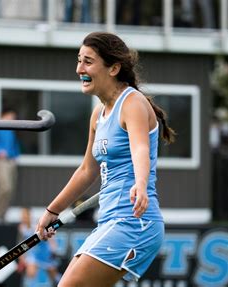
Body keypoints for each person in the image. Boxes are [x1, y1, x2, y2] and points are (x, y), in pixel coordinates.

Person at [35, 31, 175, 286]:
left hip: (134, 222)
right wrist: (52, 210)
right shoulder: (99, 113)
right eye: (78, 60)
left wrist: (141, 183)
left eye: (88, 61)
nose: (79, 69)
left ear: (113, 68)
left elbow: (140, 149)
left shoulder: (132, 103)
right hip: (110, 221)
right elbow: (87, 170)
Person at [17, 207, 61, 287]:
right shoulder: (21, 227)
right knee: (31, 274)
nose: (23, 218)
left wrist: (54, 250)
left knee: (54, 275)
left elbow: (51, 239)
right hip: (33, 254)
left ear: (29, 215)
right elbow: (22, 242)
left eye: (25, 215)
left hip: (45, 253)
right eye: (22, 216)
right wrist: (21, 258)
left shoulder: (37, 225)